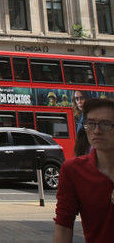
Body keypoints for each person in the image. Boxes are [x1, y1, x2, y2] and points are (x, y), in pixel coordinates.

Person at [54, 97, 114, 243]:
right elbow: (63, 226)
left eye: (106, 124)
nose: (97, 131)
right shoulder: (73, 170)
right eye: (91, 124)